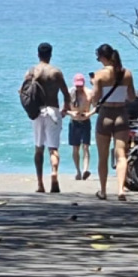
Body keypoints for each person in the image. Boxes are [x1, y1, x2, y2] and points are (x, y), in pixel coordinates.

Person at [91, 43, 138, 200]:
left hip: (105, 114)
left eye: (98, 57)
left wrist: (93, 86)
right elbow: (132, 97)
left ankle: (103, 190)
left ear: (103, 57)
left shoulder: (100, 75)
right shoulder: (127, 73)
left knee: (103, 156)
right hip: (121, 114)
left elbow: (94, 100)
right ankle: (120, 190)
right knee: (121, 154)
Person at [26, 42, 70, 193]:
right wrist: (65, 109)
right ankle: (54, 173)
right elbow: (66, 94)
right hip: (53, 110)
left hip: (38, 112)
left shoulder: (32, 71)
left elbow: (23, 92)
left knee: (39, 149)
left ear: (38, 54)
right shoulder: (56, 72)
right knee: (53, 149)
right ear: (50, 54)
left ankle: (40, 184)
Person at [67, 74, 92, 180]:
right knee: (75, 148)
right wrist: (71, 113)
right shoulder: (70, 93)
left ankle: (85, 170)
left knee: (86, 147)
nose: (79, 88)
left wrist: (89, 114)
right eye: (77, 86)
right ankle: (77, 170)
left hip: (85, 121)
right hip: (74, 122)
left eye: (80, 86)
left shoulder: (89, 93)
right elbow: (64, 109)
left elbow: (97, 107)